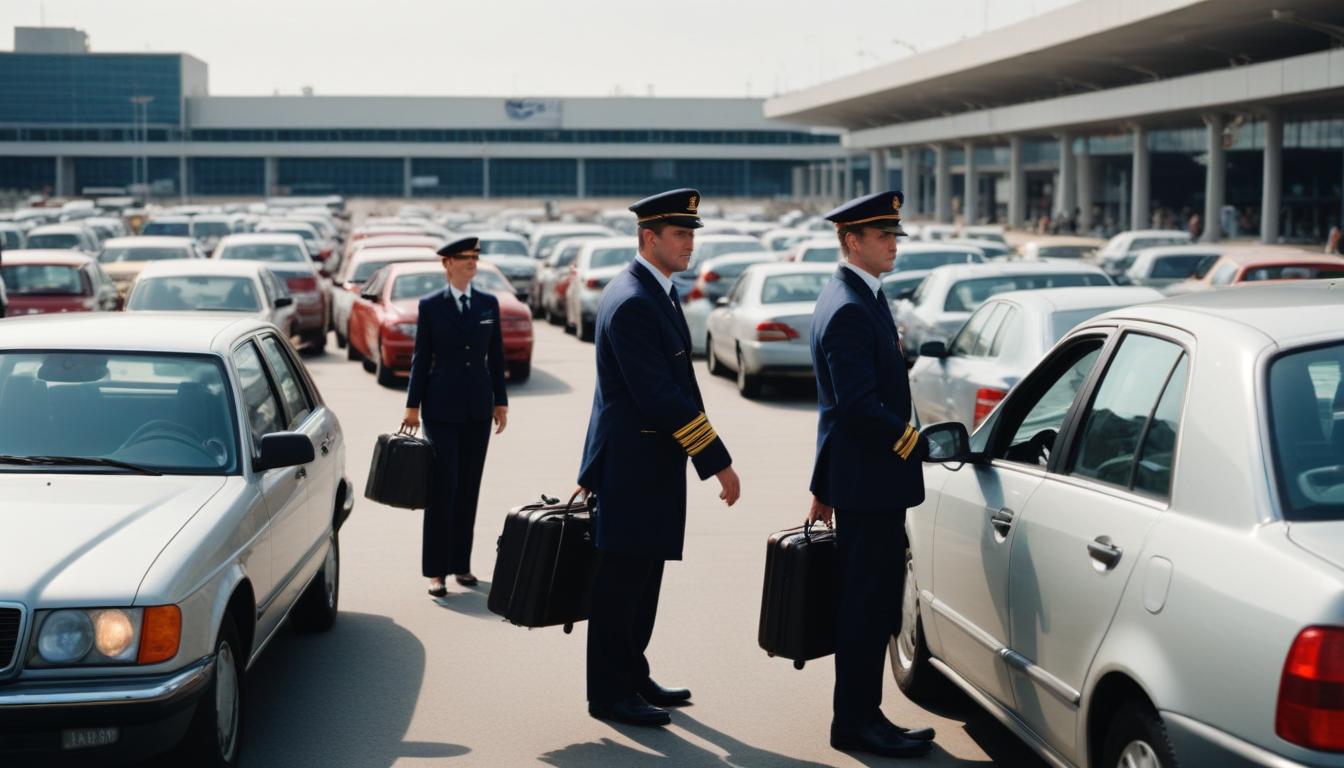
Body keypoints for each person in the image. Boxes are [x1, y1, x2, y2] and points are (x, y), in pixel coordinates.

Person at [576, 188, 741, 728]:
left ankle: (632, 673)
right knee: (621, 583)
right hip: (631, 464)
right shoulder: (633, 301)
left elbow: (677, 384)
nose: (690, 243)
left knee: (645, 577)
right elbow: (659, 396)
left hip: (651, 460)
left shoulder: (657, 290)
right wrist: (716, 458)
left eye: (692, 232)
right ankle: (609, 692)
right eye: (680, 233)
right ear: (649, 237)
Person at [806, 190, 935, 759]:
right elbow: (853, 406)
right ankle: (855, 723)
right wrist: (913, 441)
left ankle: (866, 714)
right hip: (870, 484)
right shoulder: (850, 306)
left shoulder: (862, 296)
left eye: (894, 235)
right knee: (865, 607)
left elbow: (834, 409)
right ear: (852, 241)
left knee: (874, 603)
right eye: (883, 236)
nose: (893, 244)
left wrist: (820, 485)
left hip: (863, 481)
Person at [402, 235, 509, 598]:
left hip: (478, 407)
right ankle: (436, 571)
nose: (471, 263)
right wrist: (412, 406)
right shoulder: (431, 306)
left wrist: (501, 401)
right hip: (441, 409)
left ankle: (461, 564)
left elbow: (496, 357)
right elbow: (421, 357)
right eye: (464, 257)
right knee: (443, 489)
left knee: (468, 489)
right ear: (447, 264)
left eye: (475, 257)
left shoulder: (487, 303)